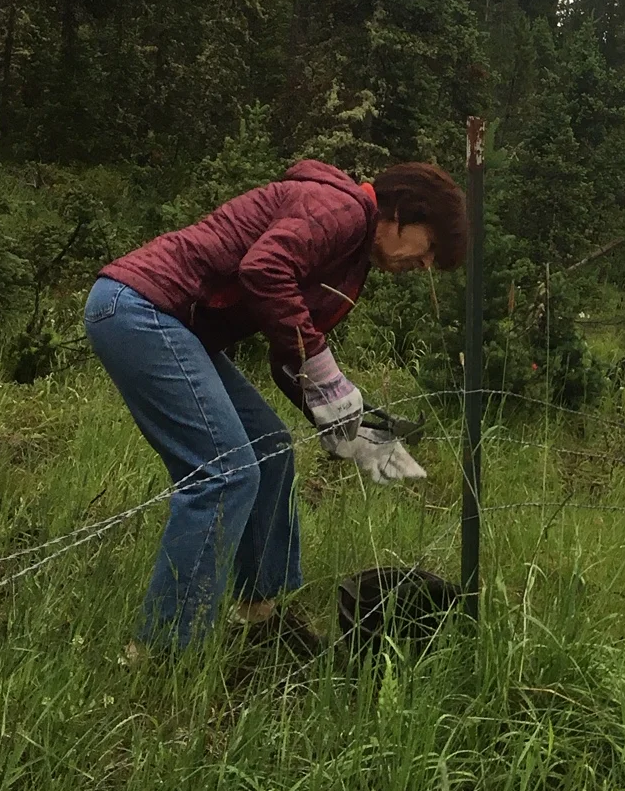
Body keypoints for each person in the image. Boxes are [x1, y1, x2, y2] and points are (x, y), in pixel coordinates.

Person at [84, 160, 467, 653]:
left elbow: (292, 355)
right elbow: (264, 269)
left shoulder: (350, 259)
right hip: (140, 308)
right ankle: (163, 652)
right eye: (430, 246)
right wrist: (328, 376)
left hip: (170, 323)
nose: (426, 265)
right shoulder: (345, 208)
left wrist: (346, 432)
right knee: (227, 473)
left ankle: (260, 614)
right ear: (403, 213)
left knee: (270, 448)